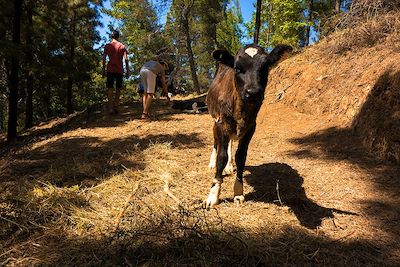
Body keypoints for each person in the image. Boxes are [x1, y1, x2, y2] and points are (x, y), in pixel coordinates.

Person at [102, 30, 129, 114]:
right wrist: (127, 70)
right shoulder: (122, 46)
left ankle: (110, 108)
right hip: (119, 69)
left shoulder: (107, 46)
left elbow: (104, 58)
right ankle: (116, 106)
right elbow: (126, 59)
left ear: (111, 36)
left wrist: (103, 70)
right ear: (118, 36)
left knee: (110, 88)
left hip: (110, 69)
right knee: (118, 88)